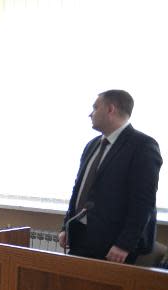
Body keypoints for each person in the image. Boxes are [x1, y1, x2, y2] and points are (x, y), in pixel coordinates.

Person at [58, 90, 162, 264]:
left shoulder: (143, 146)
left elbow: (144, 202)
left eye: (95, 107)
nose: (90, 114)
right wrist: (66, 227)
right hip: (81, 238)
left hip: (113, 246)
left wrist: (124, 244)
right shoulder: (92, 145)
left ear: (110, 109)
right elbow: (79, 190)